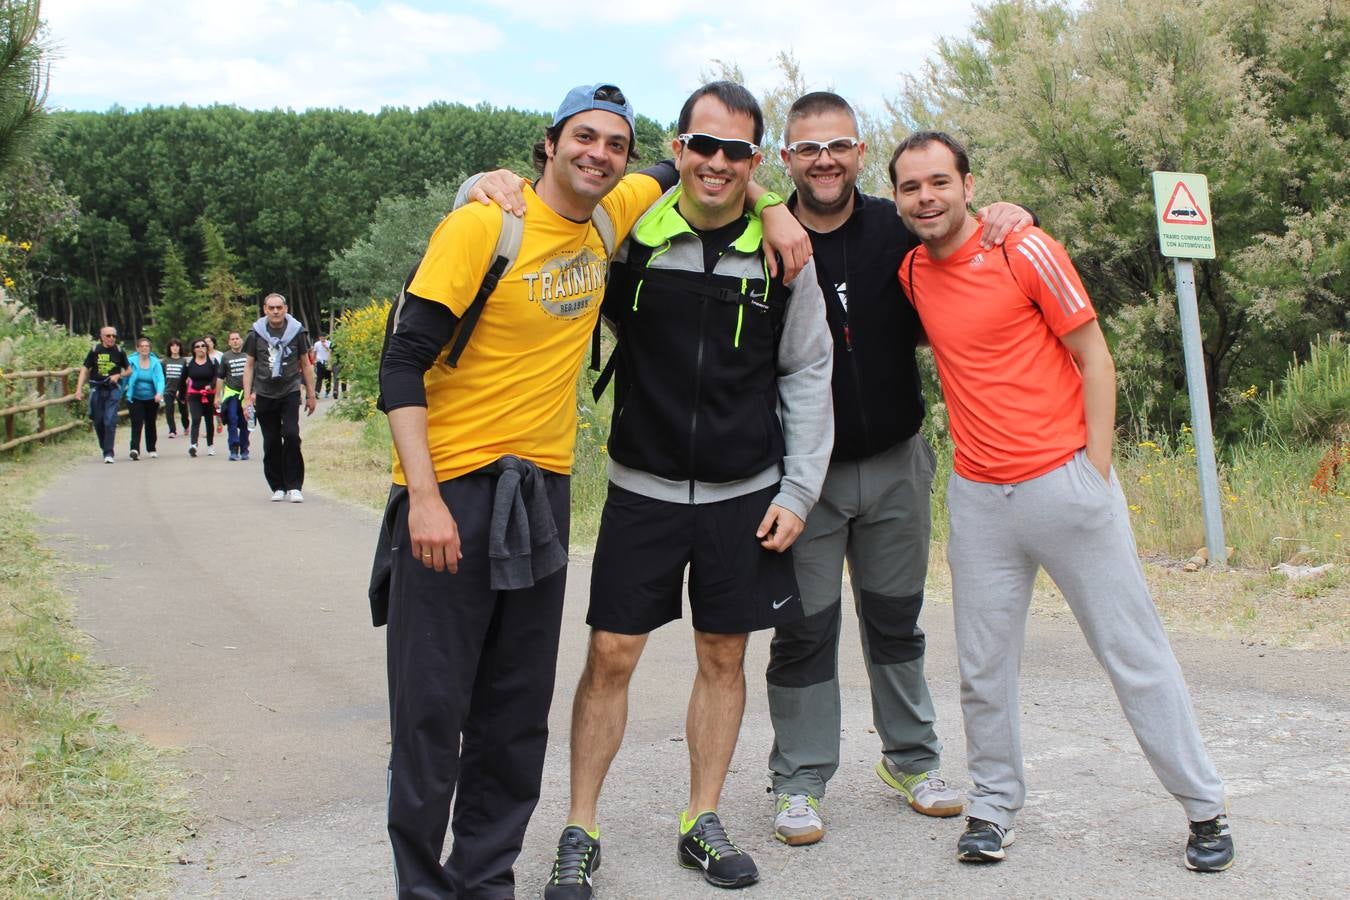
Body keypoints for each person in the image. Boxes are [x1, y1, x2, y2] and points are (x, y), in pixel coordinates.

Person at [889, 130, 1233, 872]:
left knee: (1131, 653)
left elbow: (1094, 355)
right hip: (980, 498)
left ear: (969, 185)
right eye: (911, 187)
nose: (927, 197)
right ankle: (991, 809)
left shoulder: (1024, 247)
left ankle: (1204, 809)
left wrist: (1094, 470)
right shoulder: (912, 271)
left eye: (939, 182)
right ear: (897, 198)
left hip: (1064, 484)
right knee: (983, 667)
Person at [372, 82, 684, 900]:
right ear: (548, 145)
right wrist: (427, 499)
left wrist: (777, 206)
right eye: (584, 138)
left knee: (514, 715)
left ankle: (484, 879)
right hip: (455, 492)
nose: (601, 155)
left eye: (615, 145)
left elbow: (687, 161)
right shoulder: (483, 223)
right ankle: (422, 887)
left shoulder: (614, 210)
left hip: (539, 495)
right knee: (433, 713)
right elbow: (400, 363)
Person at [542, 81, 833, 898]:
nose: (715, 163)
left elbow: (810, 374)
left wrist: (799, 491)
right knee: (610, 656)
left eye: (735, 151)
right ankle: (580, 827)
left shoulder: (785, 255)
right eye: (701, 146)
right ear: (676, 149)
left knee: (723, 656)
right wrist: (482, 188)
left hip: (748, 494)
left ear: (755, 162)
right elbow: (537, 214)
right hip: (642, 488)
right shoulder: (626, 234)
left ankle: (700, 819)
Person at [764, 92, 1034, 846]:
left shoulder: (895, 226)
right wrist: (759, 201)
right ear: (786, 159)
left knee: (895, 622)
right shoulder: (762, 233)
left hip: (895, 465)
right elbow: (674, 180)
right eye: (807, 148)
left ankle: (912, 762)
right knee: (804, 631)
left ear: (858, 153)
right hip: (801, 481)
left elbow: (967, 233)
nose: (824, 159)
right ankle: (800, 780)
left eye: (839, 145)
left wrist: (1011, 214)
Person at [242, 293, 316, 503]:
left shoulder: (297, 332)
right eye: (271, 308)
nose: (275, 312)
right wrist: (247, 397)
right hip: (264, 392)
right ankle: (278, 485)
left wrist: (311, 394)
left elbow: (305, 363)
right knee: (272, 440)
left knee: (291, 435)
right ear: (265, 309)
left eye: (279, 308)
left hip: (290, 390)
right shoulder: (255, 334)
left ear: (285, 309)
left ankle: (294, 485)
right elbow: (249, 366)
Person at [75, 326, 130, 464]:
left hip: (113, 389)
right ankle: (104, 445)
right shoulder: (95, 351)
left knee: (110, 419)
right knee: (98, 420)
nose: (111, 338)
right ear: (102, 337)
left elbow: (129, 370)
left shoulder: (119, 351)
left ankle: (109, 452)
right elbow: (84, 369)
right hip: (97, 388)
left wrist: (119, 375)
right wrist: (79, 389)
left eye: (113, 336)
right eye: (108, 336)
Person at [123, 336, 164, 460]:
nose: (144, 348)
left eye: (147, 346)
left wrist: (159, 393)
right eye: (142, 346)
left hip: (152, 398)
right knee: (137, 422)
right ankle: (134, 449)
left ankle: (151, 448)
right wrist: (120, 391)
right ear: (137, 348)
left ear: (150, 349)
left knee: (150, 423)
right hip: (135, 397)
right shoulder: (131, 361)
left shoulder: (155, 362)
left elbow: (160, 379)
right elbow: (125, 378)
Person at [215, 330, 251, 461]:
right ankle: (233, 449)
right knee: (232, 419)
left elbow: (256, 373)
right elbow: (220, 377)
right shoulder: (226, 357)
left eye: (237, 338)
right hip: (232, 394)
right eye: (232, 339)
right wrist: (217, 396)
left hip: (246, 394)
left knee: (245, 421)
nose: (235, 341)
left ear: (241, 340)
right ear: (229, 342)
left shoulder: (248, 355)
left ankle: (245, 449)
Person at [182, 338, 218, 457]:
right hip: (194, 395)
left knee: (209, 420)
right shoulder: (189, 363)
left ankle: (210, 445)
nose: (200, 348)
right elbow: (182, 379)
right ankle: (193, 445)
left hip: (209, 395)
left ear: (207, 348)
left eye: (203, 346)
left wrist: (211, 386)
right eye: (197, 346)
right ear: (193, 350)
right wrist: (181, 394)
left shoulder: (212, 362)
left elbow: (217, 376)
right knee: (196, 419)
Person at [161, 338, 190, 438]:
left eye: (177, 346)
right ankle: (172, 430)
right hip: (168, 389)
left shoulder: (184, 361)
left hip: (181, 389)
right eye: (172, 346)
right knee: (169, 410)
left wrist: (183, 389)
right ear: (169, 348)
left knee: (183, 410)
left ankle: (186, 426)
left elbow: (187, 376)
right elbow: (161, 377)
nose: (175, 348)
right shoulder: (165, 362)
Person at [313, 333, 333, 398]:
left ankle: (327, 391)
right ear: (319, 338)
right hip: (319, 362)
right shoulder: (316, 344)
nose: (322, 339)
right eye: (321, 338)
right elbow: (315, 352)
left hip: (327, 362)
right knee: (319, 377)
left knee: (328, 378)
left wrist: (326, 347)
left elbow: (331, 352)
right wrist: (314, 361)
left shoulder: (329, 343)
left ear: (326, 337)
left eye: (323, 338)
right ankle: (317, 392)